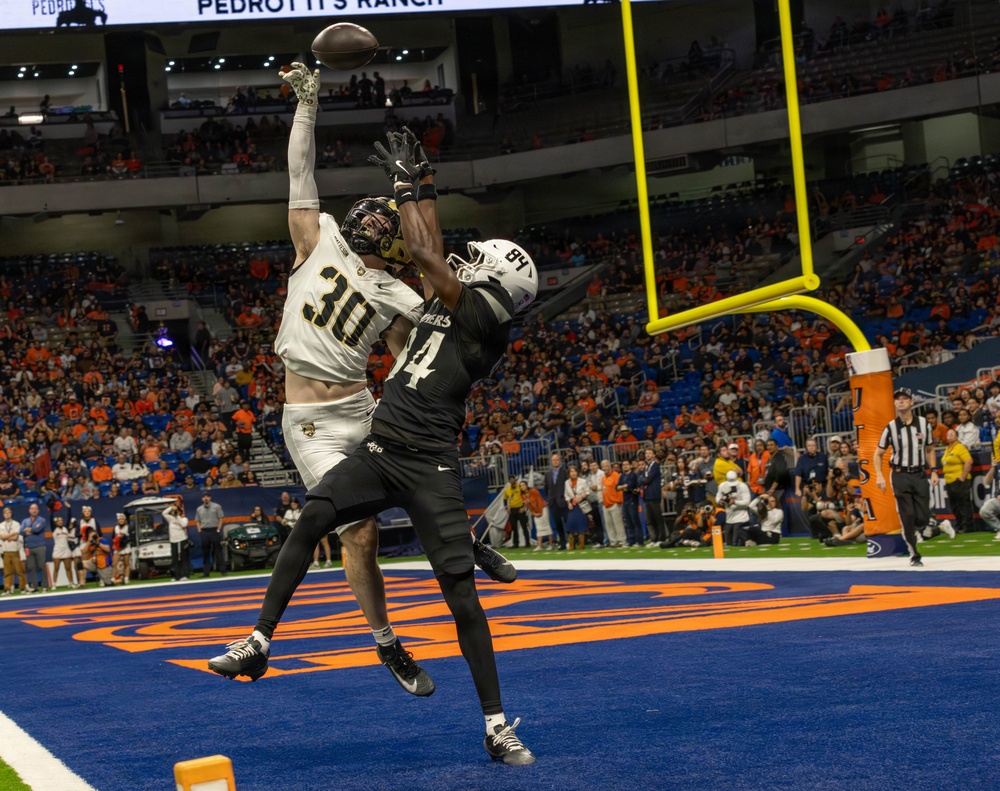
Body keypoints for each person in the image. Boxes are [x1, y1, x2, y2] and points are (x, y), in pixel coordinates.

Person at [208, 126, 538, 765]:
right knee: (316, 516)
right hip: (382, 448)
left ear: (493, 280)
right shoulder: (456, 301)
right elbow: (430, 245)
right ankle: (259, 640)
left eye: (479, 261)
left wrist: (406, 187)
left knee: (461, 599)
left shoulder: (475, 313)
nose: (465, 260)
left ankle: (497, 726)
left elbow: (425, 252)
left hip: (427, 464)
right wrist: (425, 184)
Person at [271, 62, 512, 642]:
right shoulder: (319, 240)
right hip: (311, 423)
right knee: (359, 532)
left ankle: (464, 541)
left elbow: (426, 335)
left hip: (362, 408)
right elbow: (299, 170)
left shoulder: (392, 289)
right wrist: (306, 106)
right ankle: (386, 640)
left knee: (416, 467)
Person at [874, 387, 938, 567]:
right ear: (894, 403)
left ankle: (925, 529)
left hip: (919, 474)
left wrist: (934, 470)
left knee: (923, 517)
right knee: (907, 516)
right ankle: (914, 553)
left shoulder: (923, 424)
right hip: (900, 474)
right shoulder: (891, 427)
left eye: (905, 398)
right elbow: (878, 453)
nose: (901, 401)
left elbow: (930, 449)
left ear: (912, 401)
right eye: (898, 399)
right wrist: (879, 475)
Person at [940, 428, 974, 534]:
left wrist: (963, 476)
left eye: (952, 434)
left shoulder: (960, 447)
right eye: (948, 434)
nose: (949, 436)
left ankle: (968, 526)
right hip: (949, 481)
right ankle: (959, 525)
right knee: (954, 505)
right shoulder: (948, 449)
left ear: (957, 436)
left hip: (959, 480)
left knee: (963, 503)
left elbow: (969, 461)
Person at [716, 469, 752, 545]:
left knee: (736, 542)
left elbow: (747, 502)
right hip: (729, 518)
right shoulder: (722, 486)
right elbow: (718, 496)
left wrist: (735, 502)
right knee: (728, 542)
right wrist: (719, 501)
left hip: (741, 517)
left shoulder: (743, 486)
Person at [195, 492, 225, 577]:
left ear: (210, 498)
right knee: (205, 552)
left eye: (207, 496)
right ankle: (206, 572)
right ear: (202, 499)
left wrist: (218, 530)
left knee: (218, 551)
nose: (206, 498)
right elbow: (197, 521)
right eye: (204, 497)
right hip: (204, 531)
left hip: (214, 530)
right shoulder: (199, 509)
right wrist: (200, 531)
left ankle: (223, 571)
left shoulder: (217, 506)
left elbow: (221, 519)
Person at [20, 503, 48, 593]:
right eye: (32, 509)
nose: (34, 510)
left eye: (35, 508)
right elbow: (21, 531)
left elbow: (37, 530)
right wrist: (31, 530)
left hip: (40, 546)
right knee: (31, 567)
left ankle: (44, 586)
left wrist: (28, 530)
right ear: (29, 510)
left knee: (41, 566)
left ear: (38, 510)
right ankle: (34, 587)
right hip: (28, 547)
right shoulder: (25, 521)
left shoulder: (42, 520)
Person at [543, 452, 569, 550]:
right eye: (554, 460)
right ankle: (562, 543)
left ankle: (571, 542)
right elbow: (546, 488)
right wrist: (549, 499)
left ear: (560, 461)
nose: (555, 461)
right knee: (557, 524)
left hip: (563, 501)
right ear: (551, 461)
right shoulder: (548, 474)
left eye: (557, 460)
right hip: (553, 503)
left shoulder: (565, 472)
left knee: (567, 522)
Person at [640, 447, 665, 543]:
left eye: (650, 453)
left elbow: (647, 479)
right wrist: (643, 479)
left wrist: (643, 480)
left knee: (657, 519)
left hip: (654, 495)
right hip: (647, 496)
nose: (648, 455)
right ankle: (654, 539)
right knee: (650, 520)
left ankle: (661, 538)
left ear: (654, 455)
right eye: (646, 453)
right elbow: (641, 479)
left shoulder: (655, 465)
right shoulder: (646, 467)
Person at [520, 479, 554, 552]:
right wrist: (534, 513)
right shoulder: (523, 496)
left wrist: (540, 512)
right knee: (538, 528)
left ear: (526, 485)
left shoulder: (533, 491)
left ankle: (551, 544)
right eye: (521, 486)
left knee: (547, 525)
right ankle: (539, 546)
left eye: (523, 485)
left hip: (543, 509)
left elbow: (539, 501)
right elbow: (528, 505)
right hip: (535, 512)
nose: (522, 487)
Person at [1, 507, 27, 595]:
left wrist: (6, 536)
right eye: (5, 513)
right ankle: (7, 589)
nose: (7, 514)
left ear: (11, 514)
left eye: (9, 512)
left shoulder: (16, 524)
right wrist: (11, 534)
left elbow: (16, 537)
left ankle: (22, 588)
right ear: (3, 514)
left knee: (19, 571)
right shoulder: (1, 525)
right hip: (6, 551)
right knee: (7, 572)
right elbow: (2, 537)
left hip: (15, 551)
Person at [163, 501, 191, 581]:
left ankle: (185, 575)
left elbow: (184, 525)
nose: (174, 512)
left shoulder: (184, 519)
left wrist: (177, 516)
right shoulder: (170, 519)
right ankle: (177, 576)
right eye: (173, 511)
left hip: (182, 540)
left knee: (183, 558)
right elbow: (164, 513)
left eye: (176, 511)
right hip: (173, 541)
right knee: (175, 559)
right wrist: (171, 507)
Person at [502, 475, 529, 548]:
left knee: (524, 526)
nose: (511, 480)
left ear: (515, 480)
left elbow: (526, 497)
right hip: (512, 510)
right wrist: (506, 507)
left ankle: (527, 543)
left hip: (520, 509)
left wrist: (524, 507)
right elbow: (505, 499)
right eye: (510, 479)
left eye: (512, 479)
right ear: (509, 481)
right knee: (514, 528)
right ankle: (516, 543)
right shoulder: (507, 490)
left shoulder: (520, 487)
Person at [112, 512, 131, 585]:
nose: (121, 520)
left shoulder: (128, 527)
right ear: (118, 520)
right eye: (120, 519)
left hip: (126, 547)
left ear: (125, 520)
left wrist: (125, 541)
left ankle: (126, 578)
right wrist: (117, 542)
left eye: (122, 519)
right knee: (114, 563)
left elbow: (130, 537)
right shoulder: (115, 528)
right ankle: (113, 578)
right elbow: (113, 537)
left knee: (127, 563)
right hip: (117, 547)